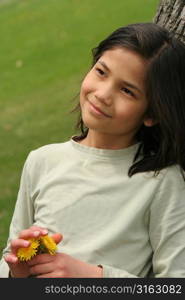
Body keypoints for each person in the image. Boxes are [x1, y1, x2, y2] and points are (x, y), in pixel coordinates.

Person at [0, 22, 185, 278]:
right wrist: (16, 272)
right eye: (101, 72)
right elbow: (9, 257)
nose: (103, 94)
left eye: (127, 90)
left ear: (152, 113)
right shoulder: (41, 162)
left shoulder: (162, 181)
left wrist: (94, 277)